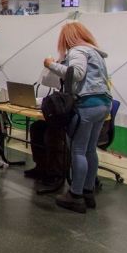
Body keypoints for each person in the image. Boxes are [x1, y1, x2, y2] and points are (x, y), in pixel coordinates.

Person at [44, 22, 111, 213]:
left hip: (86, 105)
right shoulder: (96, 53)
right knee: (90, 150)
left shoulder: (77, 52)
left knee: (78, 150)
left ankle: (75, 195)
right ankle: (88, 191)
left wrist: (51, 65)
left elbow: (77, 74)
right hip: (103, 104)